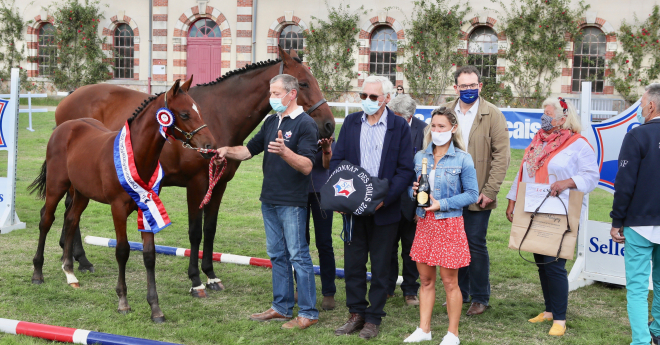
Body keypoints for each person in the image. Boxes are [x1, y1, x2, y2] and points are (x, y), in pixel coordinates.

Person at [216, 74, 319, 330]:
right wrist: (226, 150)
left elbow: (307, 166)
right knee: (276, 254)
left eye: (275, 93)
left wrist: (285, 152)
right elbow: (248, 150)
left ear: (291, 94)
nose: (271, 98)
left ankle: (308, 312)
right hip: (269, 199)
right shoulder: (272, 121)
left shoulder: (306, 124)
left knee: (299, 256)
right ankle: (281, 308)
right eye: (270, 93)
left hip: (292, 202)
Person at [330, 75, 415, 339]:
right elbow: (337, 161)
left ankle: (374, 318)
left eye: (373, 97)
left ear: (387, 98)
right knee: (354, 265)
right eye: (363, 96)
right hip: (353, 209)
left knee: (380, 266)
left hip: (384, 209)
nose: (367, 101)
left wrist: (384, 200)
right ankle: (356, 314)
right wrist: (342, 197)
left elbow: (405, 170)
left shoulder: (400, 127)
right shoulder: (352, 123)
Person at [506, 97, 598, 336]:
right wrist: (512, 199)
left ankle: (560, 318)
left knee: (555, 265)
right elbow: (523, 172)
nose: (544, 119)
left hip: (562, 211)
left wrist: (567, 182)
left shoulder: (578, 144)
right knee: (542, 263)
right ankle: (549, 310)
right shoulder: (538, 141)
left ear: (563, 118)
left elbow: (591, 177)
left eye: (549, 114)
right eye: (543, 114)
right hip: (535, 208)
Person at [403, 107, 478, 345]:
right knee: (425, 281)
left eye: (442, 126)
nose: (436, 131)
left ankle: (452, 334)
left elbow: (472, 194)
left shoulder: (463, 159)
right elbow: (411, 190)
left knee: (450, 282)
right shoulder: (420, 157)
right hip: (424, 224)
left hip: (449, 224)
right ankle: (424, 329)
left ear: (453, 129)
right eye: (433, 126)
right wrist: (413, 192)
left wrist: (442, 204)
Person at [441, 66, 510, 316]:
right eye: (464, 86)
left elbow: (502, 156)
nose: (468, 90)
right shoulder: (446, 111)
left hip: (479, 191)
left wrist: (490, 189)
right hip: (449, 192)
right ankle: (460, 291)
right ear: (456, 87)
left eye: (473, 85)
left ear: (480, 86)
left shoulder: (492, 114)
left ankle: (480, 296)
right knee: (454, 243)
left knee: (475, 244)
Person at [610, 83, 660, 345]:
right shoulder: (639, 135)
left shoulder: (637, 135)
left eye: (641, 105)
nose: (640, 109)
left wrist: (617, 220)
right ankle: (658, 332)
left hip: (639, 223)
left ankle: (641, 341)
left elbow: (624, 184)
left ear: (651, 106)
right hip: (644, 222)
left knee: (638, 288)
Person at [386, 94, 426, 305]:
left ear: (407, 115)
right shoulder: (386, 126)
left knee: (411, 248)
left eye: (397, 115)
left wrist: (421, 204)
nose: (393, 117)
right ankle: (388, 286)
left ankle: (410, 290)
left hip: (413, 199)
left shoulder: (424, 130)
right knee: (388, 245)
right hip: (390, 196)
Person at [305, 136, 336, 311]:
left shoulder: (327, 131)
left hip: (322, 192)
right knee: (300, 243)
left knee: (324, 243)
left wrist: (326, 148)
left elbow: (328, 165)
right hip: (299, 191)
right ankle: (300, 287)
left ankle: (328, 291)